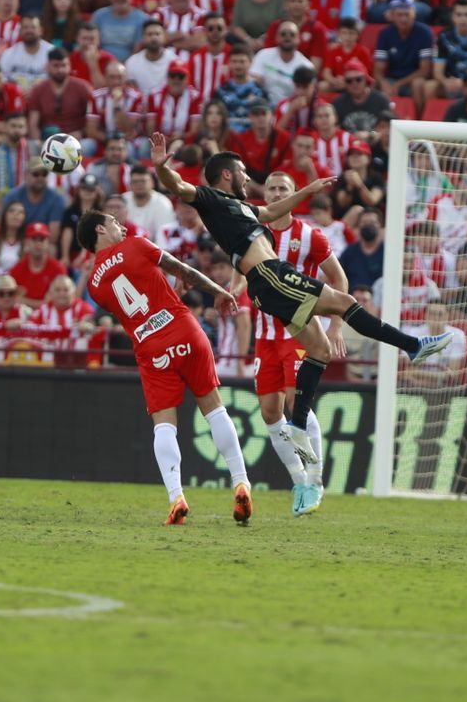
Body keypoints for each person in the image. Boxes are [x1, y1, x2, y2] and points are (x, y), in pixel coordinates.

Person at [150, 132, 451, 461]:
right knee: (345, 302)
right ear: (227, 174)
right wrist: (162, 169)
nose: (248, 177)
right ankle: (413, 347)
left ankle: (296, 424)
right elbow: (179, 186)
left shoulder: (243, 207)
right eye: (242, 171)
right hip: (270, 275)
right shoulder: (211, 199)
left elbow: (269, 212)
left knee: (320, 348)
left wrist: (308, 191)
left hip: (268, 283)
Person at [77, 209, 253, 525]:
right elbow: (180, 269)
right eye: (115, 222)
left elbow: (133, 293)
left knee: (164, 425)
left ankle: (176, 497)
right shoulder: (138, 245)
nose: (121, 225)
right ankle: (241, 481)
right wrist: (218, 291)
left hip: (150, 345)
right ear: (100, 229)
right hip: (184, 328)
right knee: (214, 410)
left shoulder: (93, 283)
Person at [252, 171, 347, 516]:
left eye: (283, 189)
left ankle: (316, 480)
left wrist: (336, 325)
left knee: (297, 403)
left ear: (294, 195)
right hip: (264, 336)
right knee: (270, 412)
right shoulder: (253, 234)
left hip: (300, 332)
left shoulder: (309, 236)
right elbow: (240, 274)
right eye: (272, 189)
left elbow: (337, 278)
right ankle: (299, 480)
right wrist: (230, 292)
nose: (277, 193)